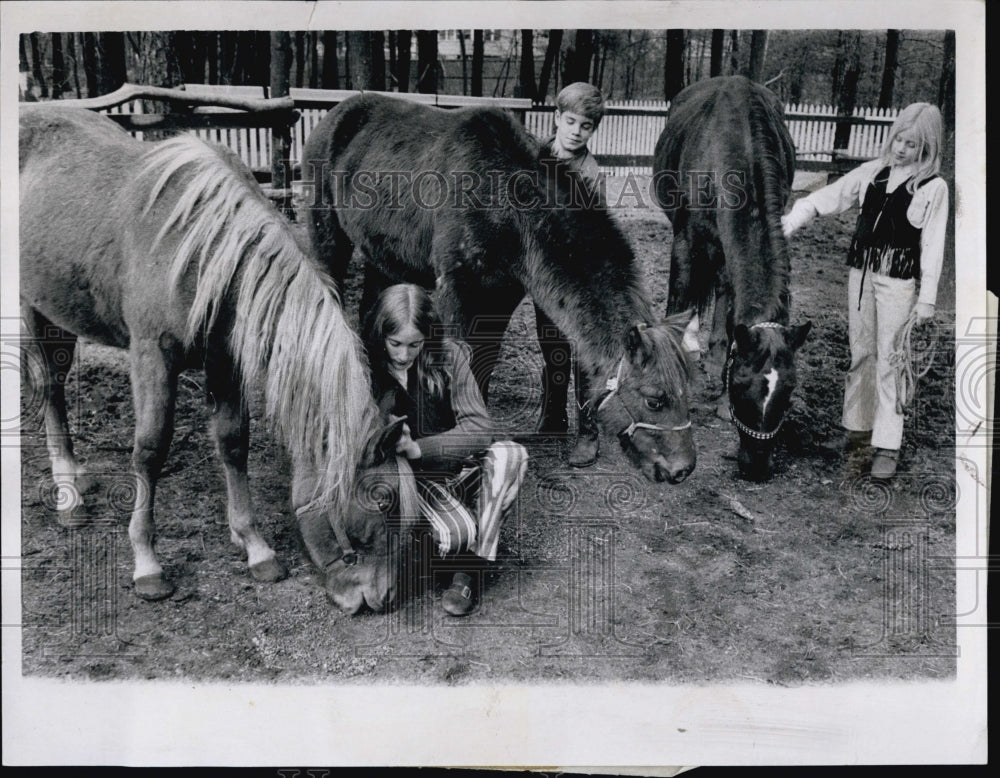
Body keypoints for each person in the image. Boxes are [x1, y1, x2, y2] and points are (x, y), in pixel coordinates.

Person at [782, 102, 949, 479]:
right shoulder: (873, 172)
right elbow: (831, 196)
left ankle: (887, 444)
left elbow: (934, 244)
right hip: (860, 275)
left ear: (928, 147)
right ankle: (856, 431)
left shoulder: (932, 187)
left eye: (911, 144)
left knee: (891, 359)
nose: (901, 148)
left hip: (897, 281)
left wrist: (927, 299)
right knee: (861, 353)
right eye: (899, 140)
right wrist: (796, 217)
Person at [362, 284, 529, 616]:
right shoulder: (367, 370)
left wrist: (418, 447)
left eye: (414, 344)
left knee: (512, 455)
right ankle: (440, 547)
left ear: (429, 335)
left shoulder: (451, 355)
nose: (403, 355)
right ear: (380, 333)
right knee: (457, 533)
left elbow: (480, 429)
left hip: (455, 468)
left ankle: (470, 571)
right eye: (394, 343)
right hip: (412, 482)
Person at [543, 81, 606, 191]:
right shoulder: (533, 149)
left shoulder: (591, 178)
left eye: (585, 126)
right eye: (570, 122)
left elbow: (598, 207)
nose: (576, 131)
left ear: (593, 130)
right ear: (558, 118)